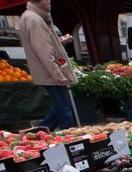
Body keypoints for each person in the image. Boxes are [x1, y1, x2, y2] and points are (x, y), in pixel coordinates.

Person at [19, 0, 77, 130]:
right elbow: (44, 51)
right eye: (48, 0)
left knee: (62, 106)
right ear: (43, 2)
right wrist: (58, 75)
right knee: (65, 109)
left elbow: (44, 46)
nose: (51, 2)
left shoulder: (35, 17)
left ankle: (38, 134)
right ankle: (69, 139)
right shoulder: (34, 20)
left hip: (47, 71)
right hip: (49, 73)